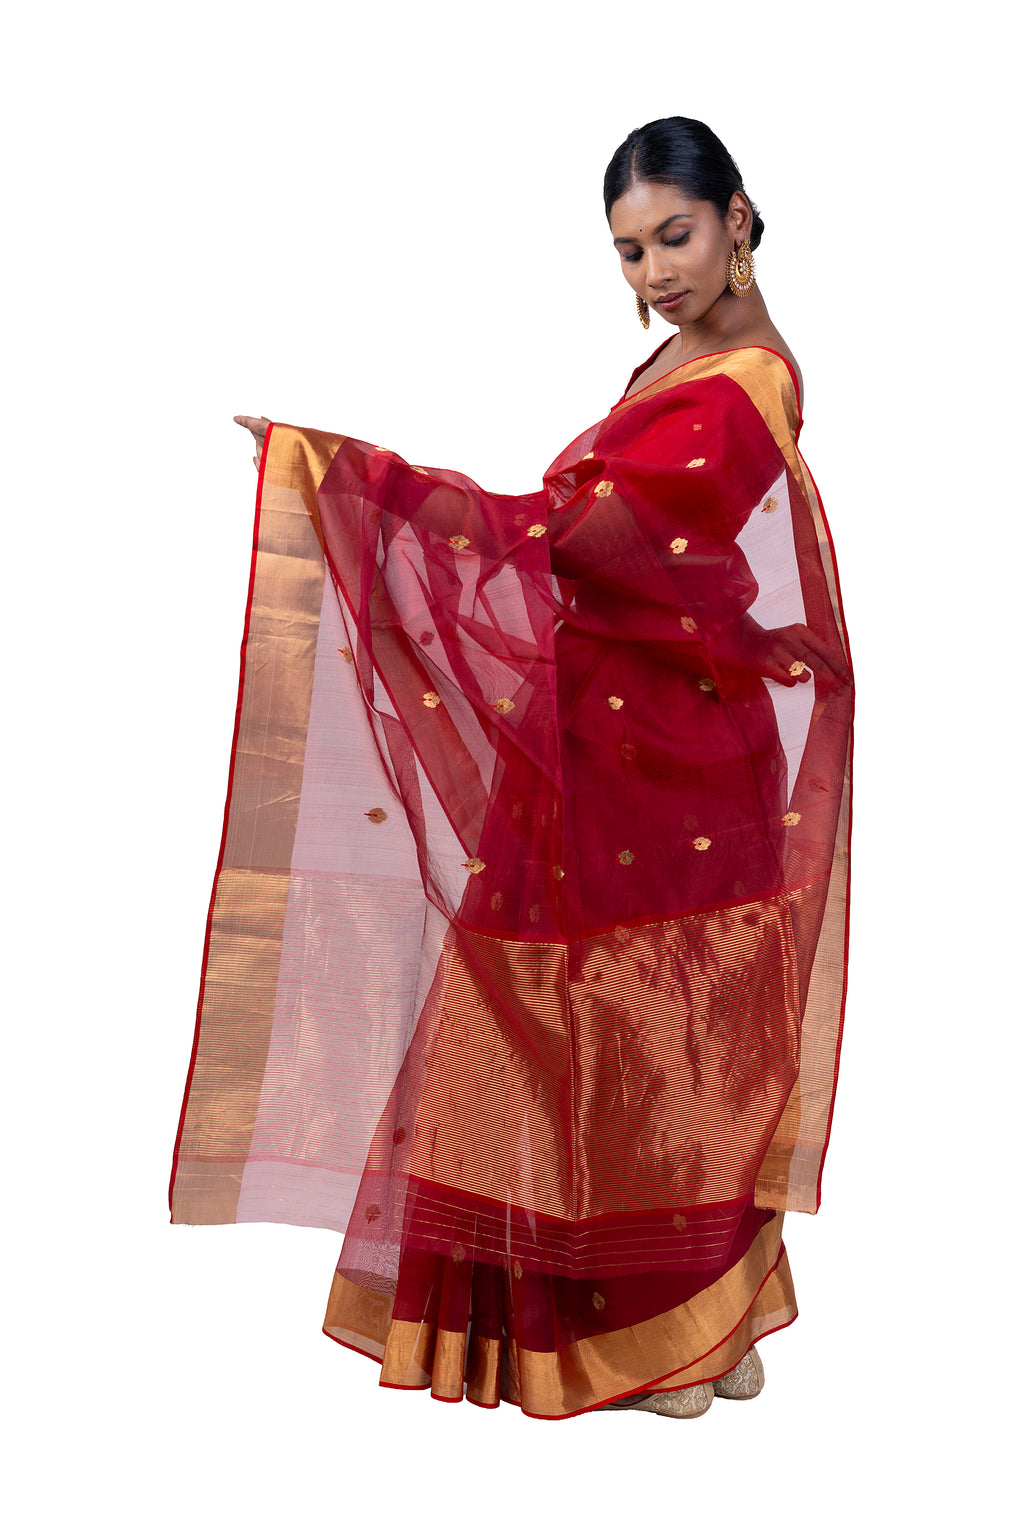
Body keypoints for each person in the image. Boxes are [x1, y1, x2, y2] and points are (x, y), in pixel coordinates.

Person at [171, 117, 853, 1421]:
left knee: (654, 1025)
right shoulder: (688, 358)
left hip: (670, 752)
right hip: (609, 730)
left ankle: (664, 1330)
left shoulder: (744, 381)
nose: (654, 269)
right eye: (630, 250)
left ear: (738, 218)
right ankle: (681, 1325)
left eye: (675, 235)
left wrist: (357, 480)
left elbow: (577, 536)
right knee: (571, 1018)